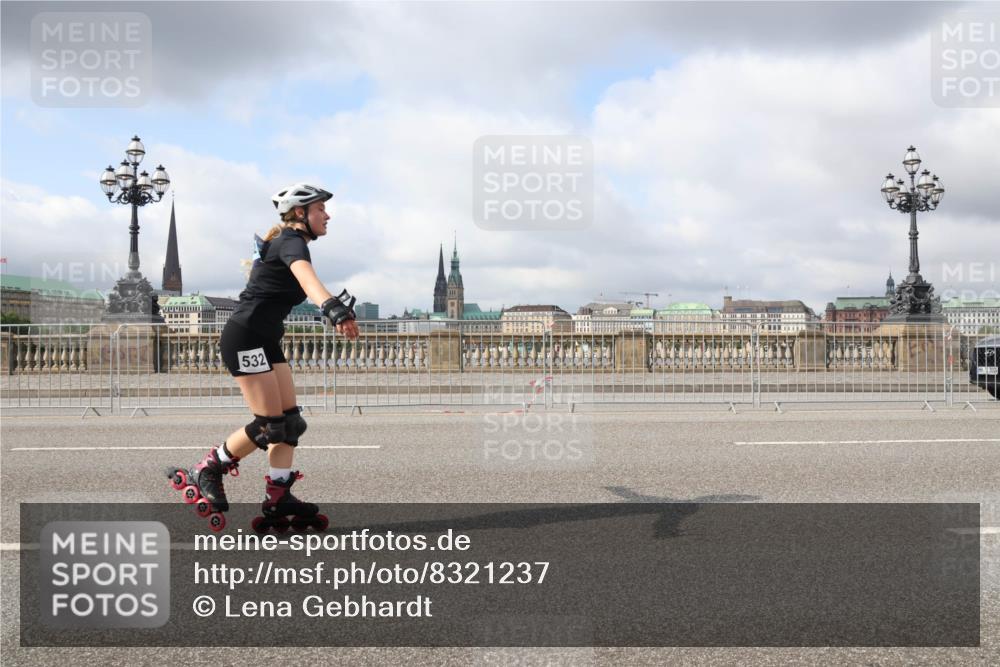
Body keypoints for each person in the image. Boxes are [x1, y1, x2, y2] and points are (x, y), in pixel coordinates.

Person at [168, 183, 359, 531]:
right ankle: (207, 468)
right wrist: (335, 310)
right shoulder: (291, 241)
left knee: (290, 423)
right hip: (245, 338)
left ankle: (278, 494)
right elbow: (307, 278)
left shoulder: (290, 242)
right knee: (269, 424)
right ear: (300, 213)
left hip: (266, 340)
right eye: (320, 210)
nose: (327, 215)